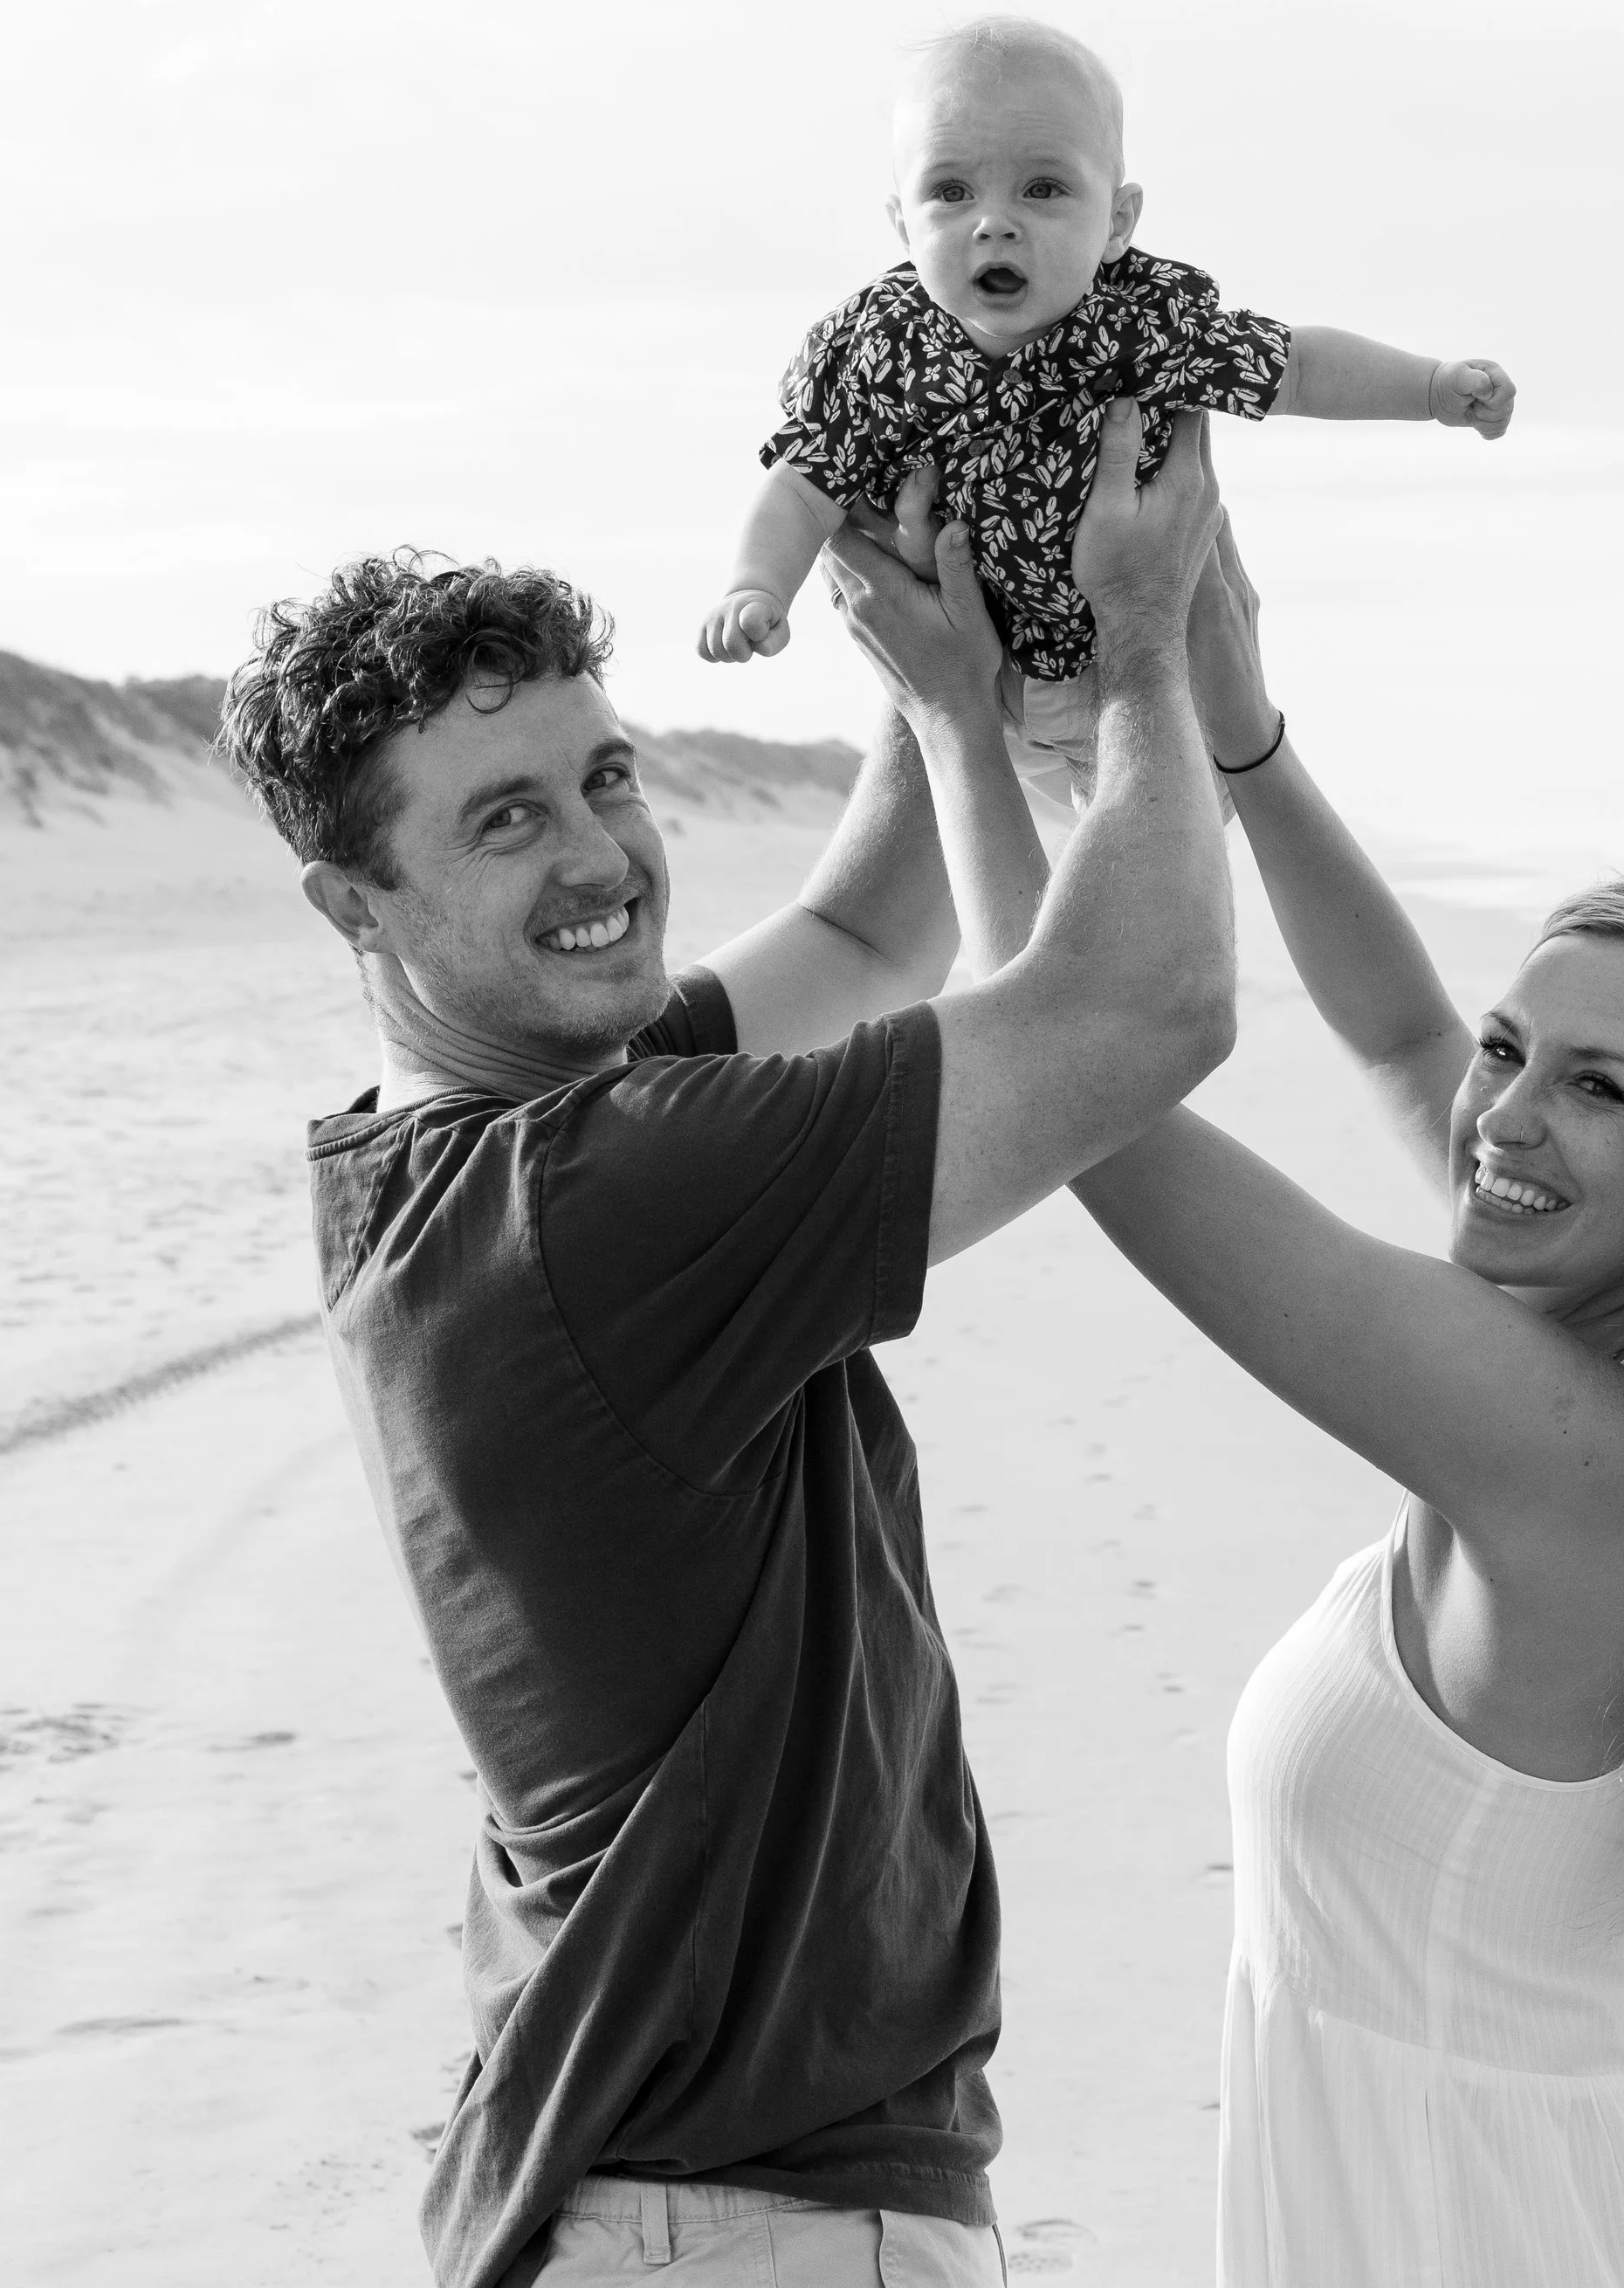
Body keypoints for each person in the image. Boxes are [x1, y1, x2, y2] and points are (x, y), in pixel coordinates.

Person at [826, 513, 1624, 2288]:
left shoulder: (1562, 1457)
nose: (1502, 1116)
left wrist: (968, 728)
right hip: (1588, 2191)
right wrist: (1243, 731)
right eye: (1515, 1047)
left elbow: (1086, 1100)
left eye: (1594, 1089)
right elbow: (1404, 1038)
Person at [215, 403, 1233, 2288]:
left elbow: (860, 926)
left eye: (608, 776)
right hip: (735, 2223)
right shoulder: (596, 1203)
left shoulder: (451, 1155)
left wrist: (941, 654)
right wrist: (1153, 636)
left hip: (641, 2190)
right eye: (503, 818)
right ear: (350, 902)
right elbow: (1146, 1003)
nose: (599, 849)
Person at [698, 14, 1512, 805]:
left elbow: (1295, 367)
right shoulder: (879, 350)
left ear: (1117, 222)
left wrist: (1434, 388)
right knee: (981, 838)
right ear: (901, 224)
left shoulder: (1144, 324)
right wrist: (755, 585)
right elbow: (803, 485)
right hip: (986, 673)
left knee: (1149, 870)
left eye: (1043, 188)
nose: (993, 224)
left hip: (1138, 670)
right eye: (950, 191)